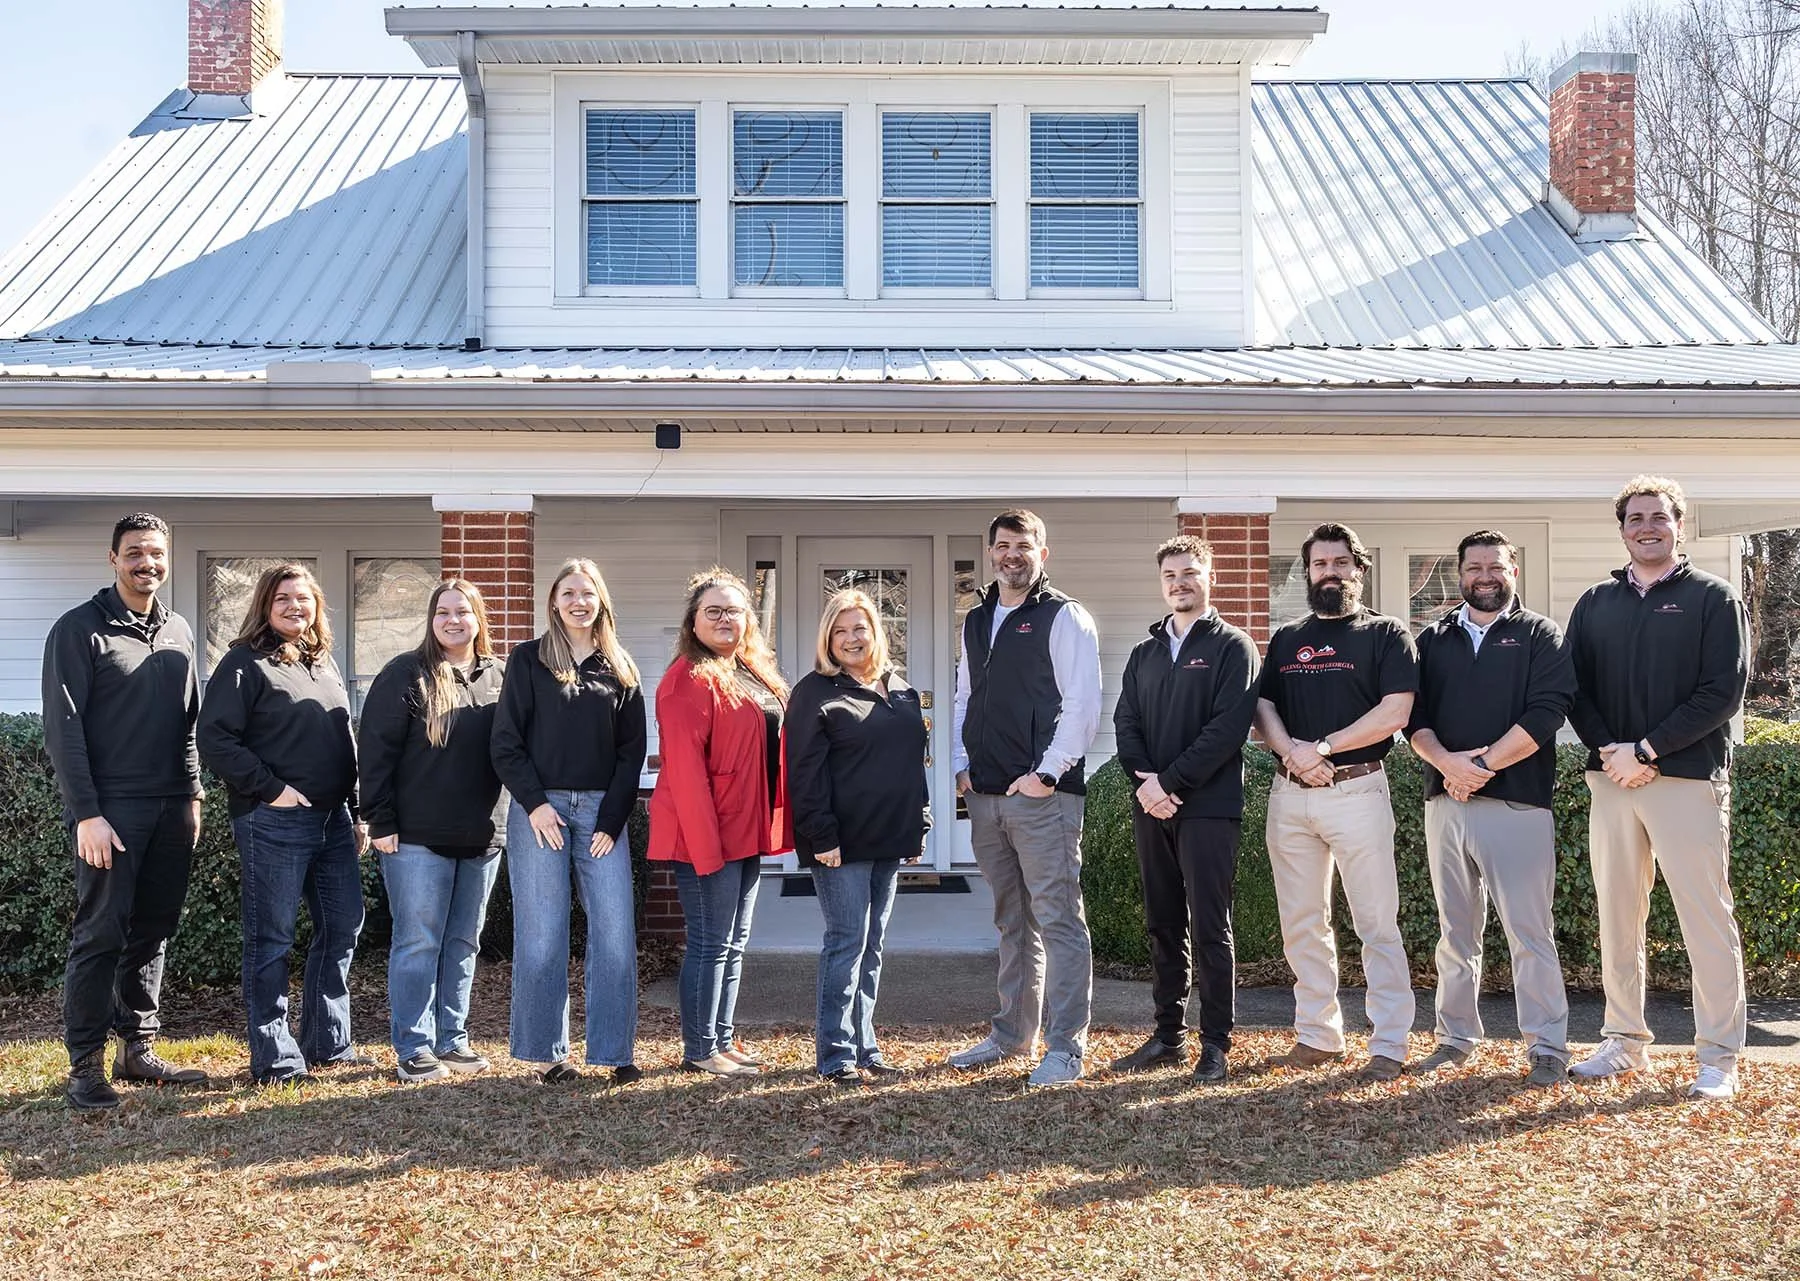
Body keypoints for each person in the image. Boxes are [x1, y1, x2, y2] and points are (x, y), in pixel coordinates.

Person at [1565, 476, 1749, 1100]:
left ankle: (1719, 1056)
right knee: (1618, 914)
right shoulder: (1595, 603)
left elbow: (1721, 692)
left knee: (1706, 918)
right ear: (1622, 530)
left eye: (1659, 516)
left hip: (1687, 779)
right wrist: (1611, 752)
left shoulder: (1713, 598)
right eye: (1635, 518)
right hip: (1612, 779)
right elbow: (1574, 690)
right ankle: (1624, 1040)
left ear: (1679, 524)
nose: (1647, 527)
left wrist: (1646, 750)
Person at [42, 512, 206, 1110]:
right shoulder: (78, 629)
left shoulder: (179, 629)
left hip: (171, 807)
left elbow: (188, 722)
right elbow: (63, 730)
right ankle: (84, 1066)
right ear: (113, 558)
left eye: (156, 553)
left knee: (154, 928)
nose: (147, 563)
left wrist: (193, 795)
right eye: (135, 552)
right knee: (101, 933)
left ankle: (137, 1047)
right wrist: (87, 813)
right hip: (109, 812)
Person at [1406, 531, 1576, 1088]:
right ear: (1459, 575)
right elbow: (1414, 717)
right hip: (1446, 804)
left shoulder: (1540, 634)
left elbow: (1547, 712)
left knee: (1530, 932)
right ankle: (1455, 1038)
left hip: (1518, 802)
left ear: (1513, 572)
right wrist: (1446, 765)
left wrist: (1478, 765)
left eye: (1495, 567)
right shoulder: (1433, 639)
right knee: (1455, 933)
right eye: (1474, 567)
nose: (1485, 576)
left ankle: (1547, 1047)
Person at [1253, 522, 1418, 1081]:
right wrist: (1293, 755)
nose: (1331, 573)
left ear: (1359, 569)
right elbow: (1264, 709)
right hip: (1290, 794)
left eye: (1341, 563)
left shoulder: (1386, 633)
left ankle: (1389, 1042)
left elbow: (1395, 711)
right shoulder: (1286, 638)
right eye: (1320, 564)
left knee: (1376, 922)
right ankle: (1318, 1035)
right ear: (1308, 572)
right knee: (1302, 922)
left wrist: (1321, 748)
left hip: (1357, 790)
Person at [948, 509, 1102, 1088]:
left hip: (1042, 798)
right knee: (1012, 921)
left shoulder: (1064, 616)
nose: (1013, 555)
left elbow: (1082, 705)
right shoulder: (977, 618)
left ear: (1043, 553)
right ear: (991, 552)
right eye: (1003, 545)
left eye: (1024, 545)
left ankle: (1065, 1048)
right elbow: (965, 696)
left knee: (1058, 920)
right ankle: (1012, 1035)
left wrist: (1047, 774)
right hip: (985, 795)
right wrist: (961, 767)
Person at [198, 564, 366, 1086]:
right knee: (271, 939)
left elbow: (343, 739)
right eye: (283, 599)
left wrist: (357, 809)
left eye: (303, 598)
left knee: (342, 926)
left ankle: (328, 1044)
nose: (295, 607)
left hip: (334, 820)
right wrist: (272, 789)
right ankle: (275, 1057)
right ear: (265, 607)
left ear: (317, 606)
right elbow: (215, 739)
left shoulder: (322, 662)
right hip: (274, 820)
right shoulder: (245, 663)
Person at [490, 559, 648, 1085]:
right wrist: (535, 804)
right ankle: (547, 1055)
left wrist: (612, 819)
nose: (579, 602)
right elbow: (506, 743)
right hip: (542, 812)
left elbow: (632, 752)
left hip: (603, 814)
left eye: (588, 593)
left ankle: (614, 1051)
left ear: (601, 601)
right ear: (554, 603)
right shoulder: (528, 660)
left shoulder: (620, 667)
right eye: (569, 594)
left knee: (615, 934)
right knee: (542, 935)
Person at [1109, 535, 1260, 1085]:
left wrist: (1169, 783)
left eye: (1190, 573)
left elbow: (1227, 730)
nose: (1180, 583)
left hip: (1208, 808)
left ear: (1210, 577)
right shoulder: (1144, 653)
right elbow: (1126, 723)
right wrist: (1147, 785)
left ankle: (1215, 1044)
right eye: (1170, 575)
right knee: (1163, 923)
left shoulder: (1234, 647)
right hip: (1152, 806)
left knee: (1211, 927)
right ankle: (1167, 1037)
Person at [358, 579, 506, 1084]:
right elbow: (375, 750)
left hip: (483, 836)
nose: (453, 620)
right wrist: (379, 820)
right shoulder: (406, 673)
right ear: (431, 619)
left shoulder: (500, 676)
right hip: (416, 838)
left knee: (463, 942)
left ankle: (453, 1039)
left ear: (478, 618)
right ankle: (414, 1046)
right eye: (443, 612)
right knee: (418, 942)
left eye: (462, 611)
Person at [648, 568, 792, 1076]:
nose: (725, 618)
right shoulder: (685, 679)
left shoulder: (747, 670)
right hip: (707, 836)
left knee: (732, 943)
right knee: (711, 942)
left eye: (734, 610)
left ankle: (722, 1038)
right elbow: (686, 775)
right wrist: (706, 850)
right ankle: (700, 1048)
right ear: (693, 621)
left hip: (745, 828)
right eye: (713, 611)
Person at [785, 589, 930, 1086]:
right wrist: (821, 835)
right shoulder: (814, 693)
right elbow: (803, 773)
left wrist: (919, 823)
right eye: (840, 630)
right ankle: (836, 1054)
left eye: (860, 628)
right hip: (839, 842)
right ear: (828, 638)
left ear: (875, 633)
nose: (851, 638)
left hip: (889, 836)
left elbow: (913, 763)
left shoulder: (900, 689)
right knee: (846, 942)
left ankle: (866, 1046)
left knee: (873, 945)